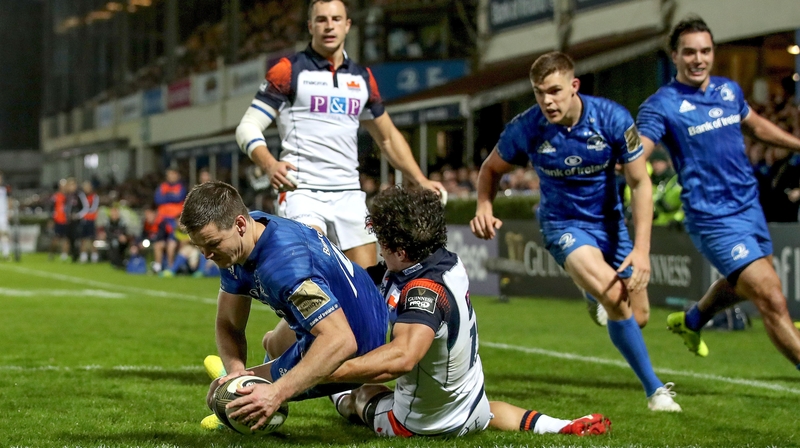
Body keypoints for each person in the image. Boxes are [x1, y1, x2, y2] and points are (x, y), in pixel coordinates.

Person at [470, 51, 680, 412]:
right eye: (539, 92)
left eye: (554, 91)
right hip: (562, 226)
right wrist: (484, 206)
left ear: (574, 86)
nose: (547, 101)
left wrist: (642, 249)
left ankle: (590, 293)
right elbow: (490, 169)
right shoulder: (527, 126)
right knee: (614, 298)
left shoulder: (612, 118)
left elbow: (641, 183)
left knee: (637, 315)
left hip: (611, 226)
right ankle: (656, 390)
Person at [326, 186, 610, 438]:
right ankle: (560, 425)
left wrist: (330, 371)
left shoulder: (423, 291)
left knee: (362, 394)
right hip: (473, 406)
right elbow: (378, 279)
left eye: (383, 242)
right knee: (485, 409)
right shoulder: (448, 262)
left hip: (422, 422)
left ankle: (339, 398)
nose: (379, 248)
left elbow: (402, 357)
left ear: (400, 251)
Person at [636, 16, 800, 368]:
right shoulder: (661, 104)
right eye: (690, 52)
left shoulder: (727, 91)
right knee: (771, 296)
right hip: (712, 215)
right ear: (675, 56)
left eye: (706, 51)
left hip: (748, 206)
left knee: (747, 283)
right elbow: (638, 153)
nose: (699, 59)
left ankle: (693, 319)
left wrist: (797, 144)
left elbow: (755, 126)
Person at [234, 0, 443, 269]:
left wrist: (420, 179)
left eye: (335, 19)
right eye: (321, 20)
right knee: (308, 283)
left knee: (367, 284)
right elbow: (247, 127)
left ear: (347, 25)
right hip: (301, 190)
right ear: (310, 26)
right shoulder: (288, 70)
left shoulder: (363, 78)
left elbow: (388, 137)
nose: (328, 26)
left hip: (348, 193)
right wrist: (269, 164)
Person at [179, 181, 388, 431]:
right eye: (199, 246)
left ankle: (348, 396)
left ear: (240, 225)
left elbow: (340, 340)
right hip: (354, 306)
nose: (206, 255)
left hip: (360, 340)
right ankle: (348, 392)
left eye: (212, 244)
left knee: (233, 396)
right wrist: (236, 371)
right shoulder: (247, 235)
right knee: (272, 343)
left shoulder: (286, 267)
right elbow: (228, 323)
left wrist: (275, 393)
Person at [153, 168, 186, 273]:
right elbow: (158, 199)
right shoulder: (162, 186)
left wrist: (166, 196)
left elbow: (179, 198)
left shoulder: (181, 187)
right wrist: (172, 196)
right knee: (158, 244)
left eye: (173, 174)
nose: (171, 176)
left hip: (175, 221)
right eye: (169, 174)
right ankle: (157, 267)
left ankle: (171, 267)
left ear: (177, 176)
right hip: (162, 220)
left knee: (171, 244)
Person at [76, 181, 100, 263]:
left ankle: (94, 257)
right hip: (84, 221)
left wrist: (79, 215)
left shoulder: (95, 197)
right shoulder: (81, 197)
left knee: (92, 239)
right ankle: (83, 256)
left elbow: (92, 208)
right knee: (83, 239)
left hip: (92, 221)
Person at [0, 172, 10, 260]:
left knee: (4, 235)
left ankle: (6, 253)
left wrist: (9, 212)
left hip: (2, 215)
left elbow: (9, 200)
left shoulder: (4, 189)